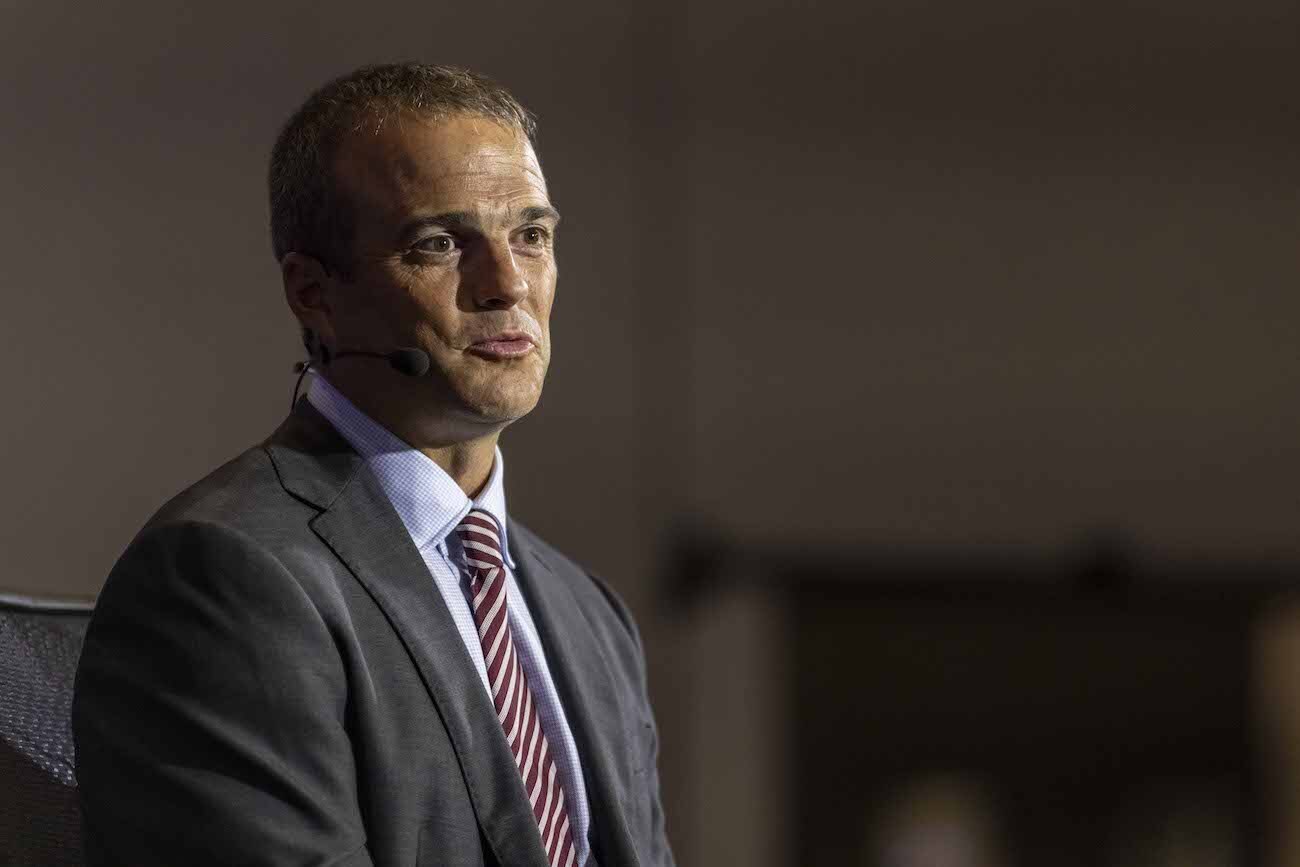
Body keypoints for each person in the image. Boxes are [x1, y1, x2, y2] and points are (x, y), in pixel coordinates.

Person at [72, 63, 673, 867]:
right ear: (314, 292)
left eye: (531, 236)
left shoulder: (590, 614)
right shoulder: (223, 576)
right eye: (439, 244)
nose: (507, 285)